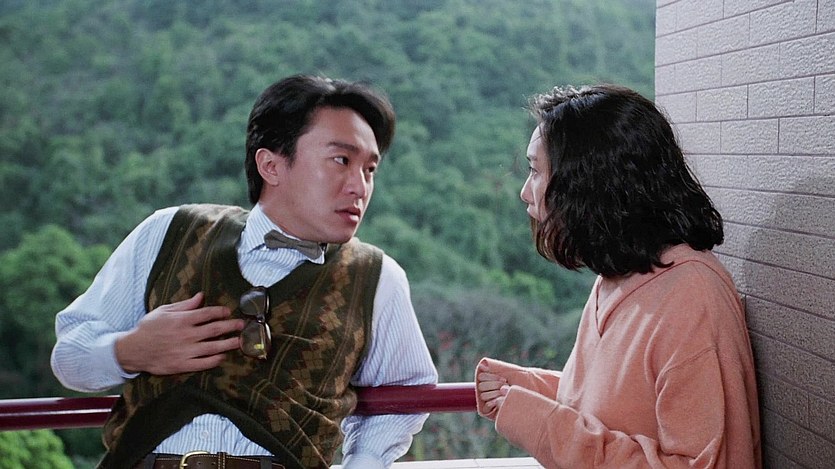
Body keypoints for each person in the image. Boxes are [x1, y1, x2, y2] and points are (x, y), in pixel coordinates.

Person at [51, 74, 438, 469]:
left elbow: (407, 392)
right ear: (271, 165)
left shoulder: (375, 277)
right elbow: (69, 356)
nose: (360, 186)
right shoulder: (169, 232)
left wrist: (364, 462)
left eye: (369, 170)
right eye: (342, 160)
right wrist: (130, 350)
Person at [475, 84, 761, 468]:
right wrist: (526, 389)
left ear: (588, 183)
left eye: (535, 171)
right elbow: (612, 412)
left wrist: (541, 422)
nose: (526, 192)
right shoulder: (617, 277)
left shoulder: (693, 298)